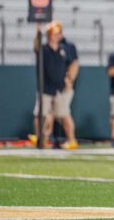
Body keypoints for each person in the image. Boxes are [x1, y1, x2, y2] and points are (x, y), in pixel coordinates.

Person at [29, 21, 79, 149]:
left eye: (59, 33)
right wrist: (38, 31)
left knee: (64, 114)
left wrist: (69, 79)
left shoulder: (64, 49)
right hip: (45, 87)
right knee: (40, 114)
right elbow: (36, 45)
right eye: (55, 33)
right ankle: (40, 138)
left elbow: (72, 64)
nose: (58, 35)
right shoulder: (43, 49)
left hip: (60, 88)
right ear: (49, 35)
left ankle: (72, 140)